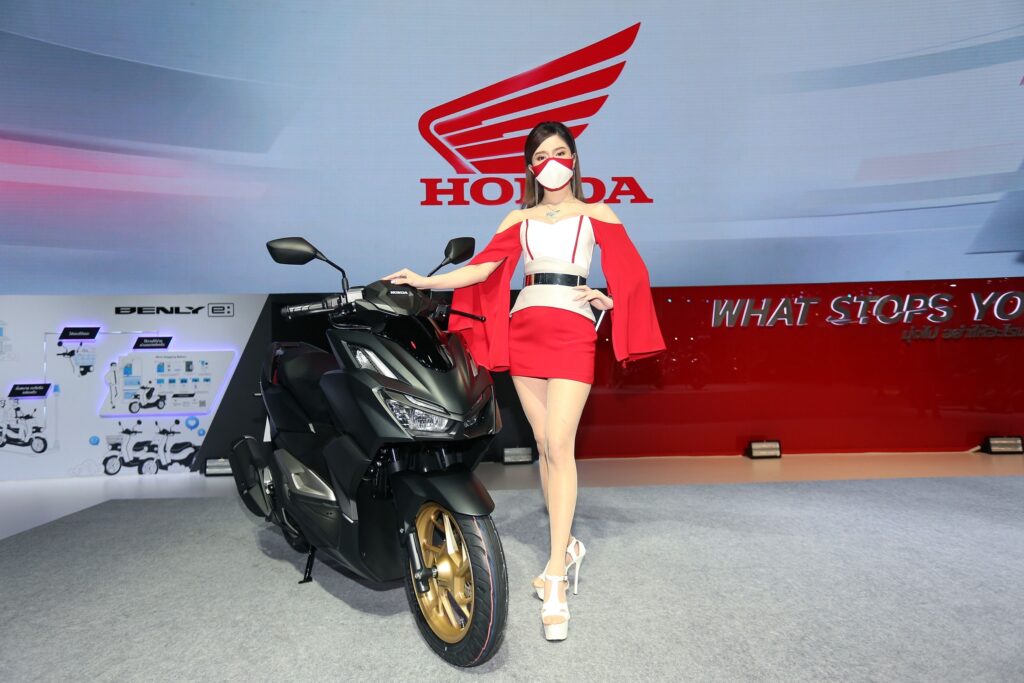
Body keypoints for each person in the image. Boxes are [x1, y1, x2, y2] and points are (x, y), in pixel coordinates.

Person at [383, 121, 665, 641]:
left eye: (559, 152)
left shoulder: (598, 213)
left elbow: (632, 272)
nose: (551, 162)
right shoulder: (518, 218)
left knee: (559, 443)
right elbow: (482, 269)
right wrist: (426, 280)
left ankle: (555, 575)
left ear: (573, 158)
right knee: (543, 446)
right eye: (541, 156)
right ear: (531, 166)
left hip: (574, 329)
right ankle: (567, 547)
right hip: (526, 329)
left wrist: (608, 299)